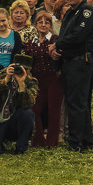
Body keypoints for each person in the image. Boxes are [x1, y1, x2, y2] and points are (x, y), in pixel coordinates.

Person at [52, 0, 93, 151]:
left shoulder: (86, 11)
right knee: (77, 102)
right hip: (70, 60)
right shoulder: (72, 11)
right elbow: (65, 35)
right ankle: (86, 141)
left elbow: (79, 36)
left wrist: (57, 44)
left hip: (80, 61)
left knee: (77, 103)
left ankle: (75, 142)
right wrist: (59, 48)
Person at [0, 54, 38, 155]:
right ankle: (1, 142)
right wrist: (5, 80)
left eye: (23, 69)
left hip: (14, 122)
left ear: (28, 71)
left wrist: (21, 85)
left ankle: (21, 147)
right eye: (17, 68)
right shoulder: (3, 75)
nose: (19, 71)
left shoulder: (31, 82)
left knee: (28, 114)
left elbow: (29, 103)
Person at [25, 9, 62, 148]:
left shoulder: (55, 39)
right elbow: (28, 62)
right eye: (40, 22)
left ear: (50, 25)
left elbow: (61, 58)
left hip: (53, 79)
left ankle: (52, 142)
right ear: (35, 25)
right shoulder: (30, 42)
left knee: (53, 111)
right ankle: (38, 140)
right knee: (36, 110)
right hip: (36, 80)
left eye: (46, 22)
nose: (43, 24)